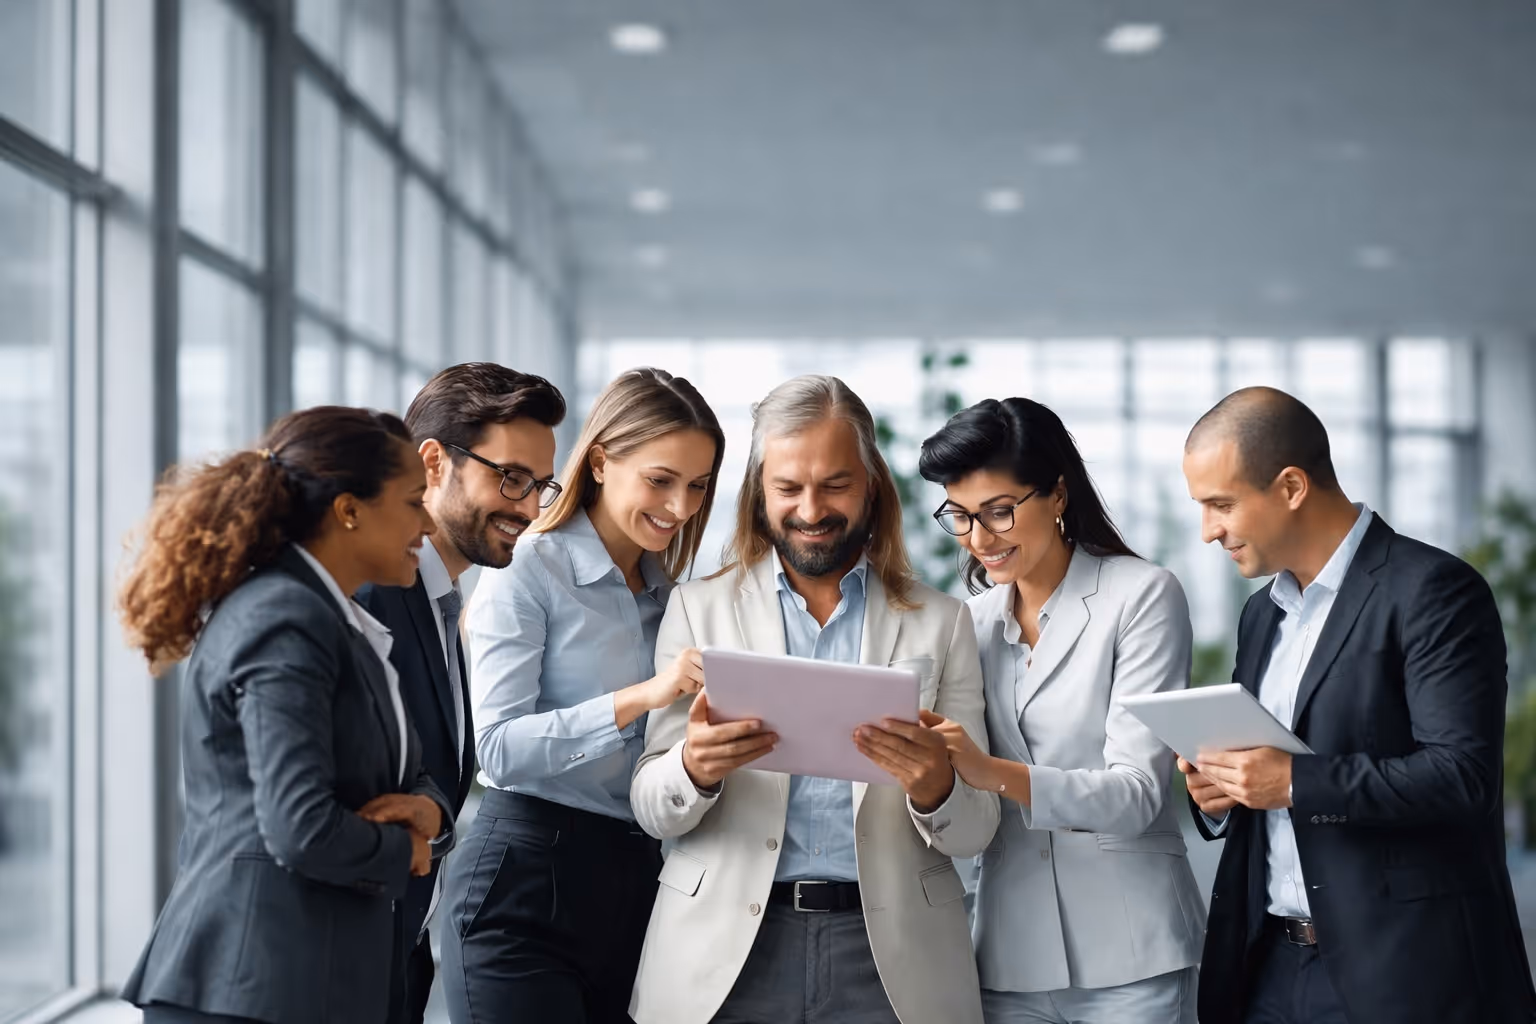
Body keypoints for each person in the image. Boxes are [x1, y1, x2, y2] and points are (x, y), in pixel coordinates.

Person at [629, 375, 1000, 1024]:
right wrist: (694, 769)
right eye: (788, 488)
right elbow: (652, 807)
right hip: (725, 950)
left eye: (835, 485)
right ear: (758, 494)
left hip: (894, 958)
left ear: (872, 486)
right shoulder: (697, 607)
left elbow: (976, 829)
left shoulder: (942, 622)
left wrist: (935, 785)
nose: (810, 509)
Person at [1179, 386, 1535, 1024]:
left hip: (1400, 973)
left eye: (1221, 505)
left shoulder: (1433, 591)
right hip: (1268, 967)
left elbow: (1464, 776)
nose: (1209, 531)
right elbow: (1264, 778)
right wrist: (1221, 788)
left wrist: (1293, 781)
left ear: (1291, 487)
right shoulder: (1263, 614)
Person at [117, 406, 455, 1024]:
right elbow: (299, 825)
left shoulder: (334, 617)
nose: (429, 523)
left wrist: (429, 811)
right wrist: (405, 849)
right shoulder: (283, 617)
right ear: (348, 509)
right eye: (413, 502)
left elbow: (403, 767)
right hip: (251, 985)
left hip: (301, 979)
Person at [439, 367, 725, 1024]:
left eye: (697, 486)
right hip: (524, 884)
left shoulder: (673, 598)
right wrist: (642, 696)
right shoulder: (528, 566)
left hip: (639, 886)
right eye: (661, 480)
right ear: (599, 461)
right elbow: (497, 749)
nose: (680, 507)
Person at [915, 397, 1204, 1024]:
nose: (979, 539)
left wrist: (989, 769)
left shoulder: (1141, 596)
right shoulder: (970, 623)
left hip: (1133, 954)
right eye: (960, 517)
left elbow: (1136, 796)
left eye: (999, 512)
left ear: (1057, 495)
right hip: (1009, 955)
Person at [356, 364, 567, 1024]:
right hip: (337, 962)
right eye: (509, 478)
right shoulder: (370, 601)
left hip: (398, 956)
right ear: (434, 463)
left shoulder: (446, 606)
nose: (530, 508)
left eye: (539, 485)